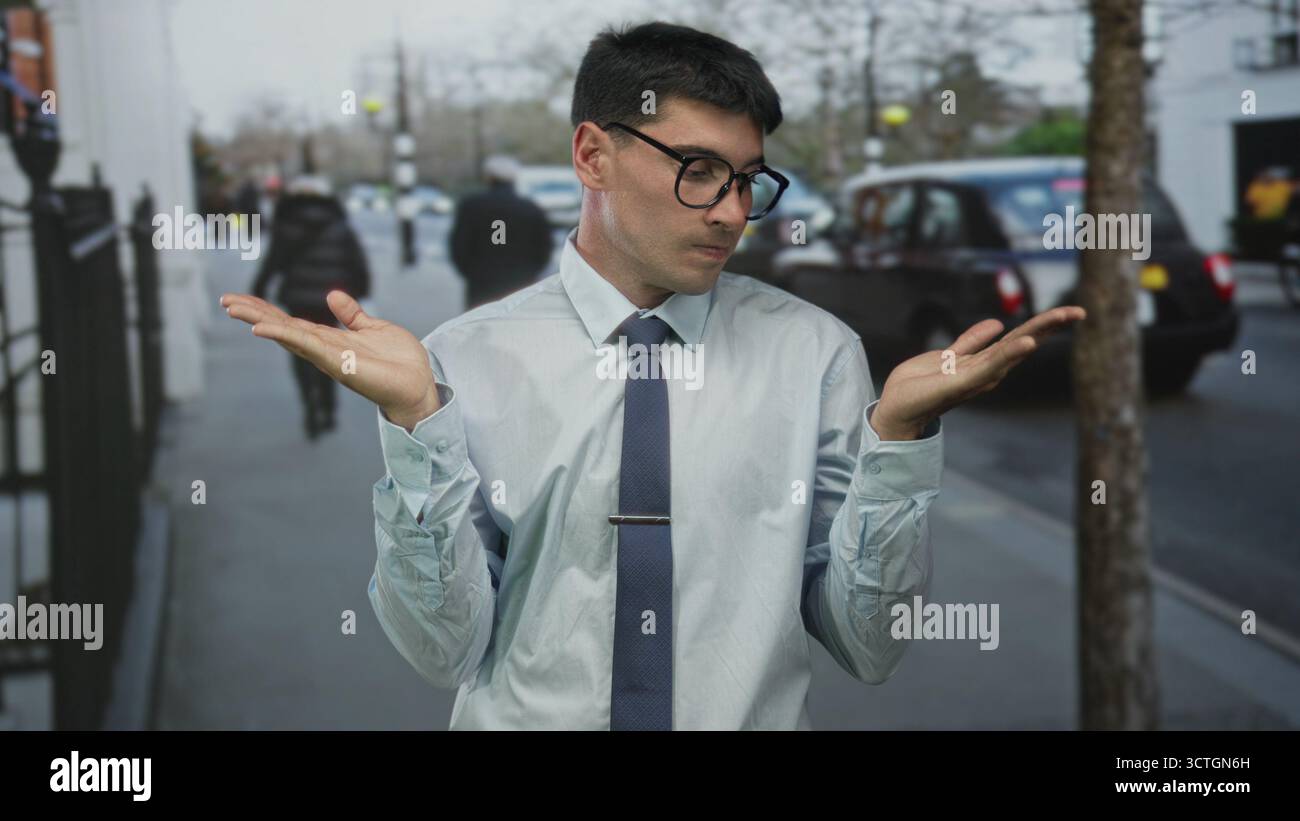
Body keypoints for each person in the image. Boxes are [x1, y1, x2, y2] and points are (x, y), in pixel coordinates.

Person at [221, 21, 1084, 730]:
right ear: (593, 155)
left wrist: (898, 442)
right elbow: (442, 649)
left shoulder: (814, 352)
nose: (732, 211)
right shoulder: (461, 359)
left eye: (748, 180)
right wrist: (416, 422)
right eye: (698, 169)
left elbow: (870, 645)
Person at [249, 175, 371, 440]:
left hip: (298, 300)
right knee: (328, 351)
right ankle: (329, 407)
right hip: (331, 302)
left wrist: (259, 289)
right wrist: (361, 291)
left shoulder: (286, 225)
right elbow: (357, 262)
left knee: (300, 352)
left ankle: (310, 406)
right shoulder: (340, 225)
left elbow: (273, 262)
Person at [448, 154, 554, 309]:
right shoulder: (531, 209)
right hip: (522, 282)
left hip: (482, 282)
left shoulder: (471, 206)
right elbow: (544, 248)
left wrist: (471, 272)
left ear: (489, 177)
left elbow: (459, 246)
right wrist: (531, 272)